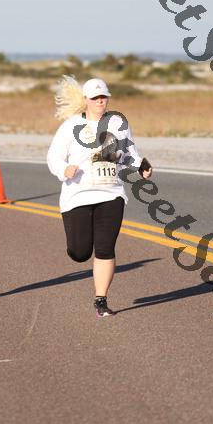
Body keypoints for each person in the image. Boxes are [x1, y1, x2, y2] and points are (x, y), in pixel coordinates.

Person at [47, 76, 152, 318]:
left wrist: (141, 166)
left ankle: (101, 300)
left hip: (111, 193)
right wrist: (64, 169)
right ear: (85, 99)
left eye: (103, 96)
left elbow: (128, 153)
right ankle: (79, 247)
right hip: (78, 194)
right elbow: (53, 157)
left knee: (105, 248)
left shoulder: (118, 123)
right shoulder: (71, 126)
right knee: (80, 252)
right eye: (95, 98)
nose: (100, 101)